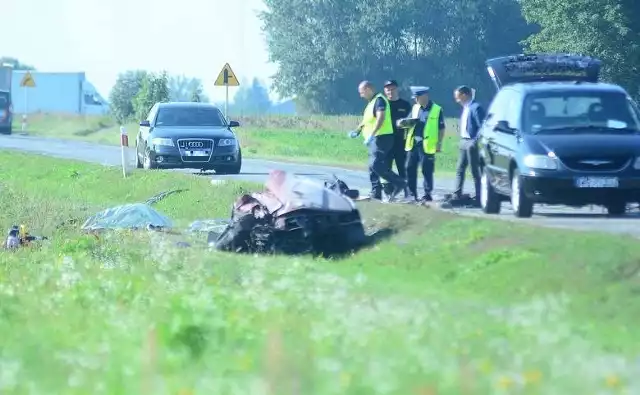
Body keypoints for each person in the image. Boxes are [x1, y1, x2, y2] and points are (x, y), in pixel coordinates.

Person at [356, 80, 407, 202]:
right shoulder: (371, 103)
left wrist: (372, 135)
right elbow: (368, 120)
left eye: (362, 92)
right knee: (371, 166)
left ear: (368, 89)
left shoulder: (379, 100)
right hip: (375, 139)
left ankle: (399, 182)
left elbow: (381, 118)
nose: (361, 95)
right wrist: (357, 129)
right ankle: (376, 192)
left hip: (382, 137)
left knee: (375, 164)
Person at [397, 86, 445, 202]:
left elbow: (441, 129)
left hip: (427, 145)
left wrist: (439, 143)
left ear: (425, 96)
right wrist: (401, 123)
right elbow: (408, 121)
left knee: (427, 170)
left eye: (417, 97)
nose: (415, 100)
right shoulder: (415, 108)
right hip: (413, 143)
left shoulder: (437, 109)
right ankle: (412, 194)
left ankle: (427, 194)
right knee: (409, 168)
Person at [447, 85, 485, 207]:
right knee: (460, 169)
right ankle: (456, 194)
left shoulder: (476, 108)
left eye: (458, 97)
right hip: (463, 141)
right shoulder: (466, 107)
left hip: (471, 142)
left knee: (475, 171)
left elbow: (482, 126)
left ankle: (480, 198)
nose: (457, 100)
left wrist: (475, 140)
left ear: (464, 95)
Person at [383, 80, 412, 193]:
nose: (390, 91)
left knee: (403, 168)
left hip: (401, 142)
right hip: (386, 142)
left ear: (397, 89)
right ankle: (388, 192)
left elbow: (411, 122)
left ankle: (407, 192)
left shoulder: (405, 105)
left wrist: (403, 123)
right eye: (388, 89)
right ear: (385, 91)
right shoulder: (383, 104)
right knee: (386, 169)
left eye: (393, 89)